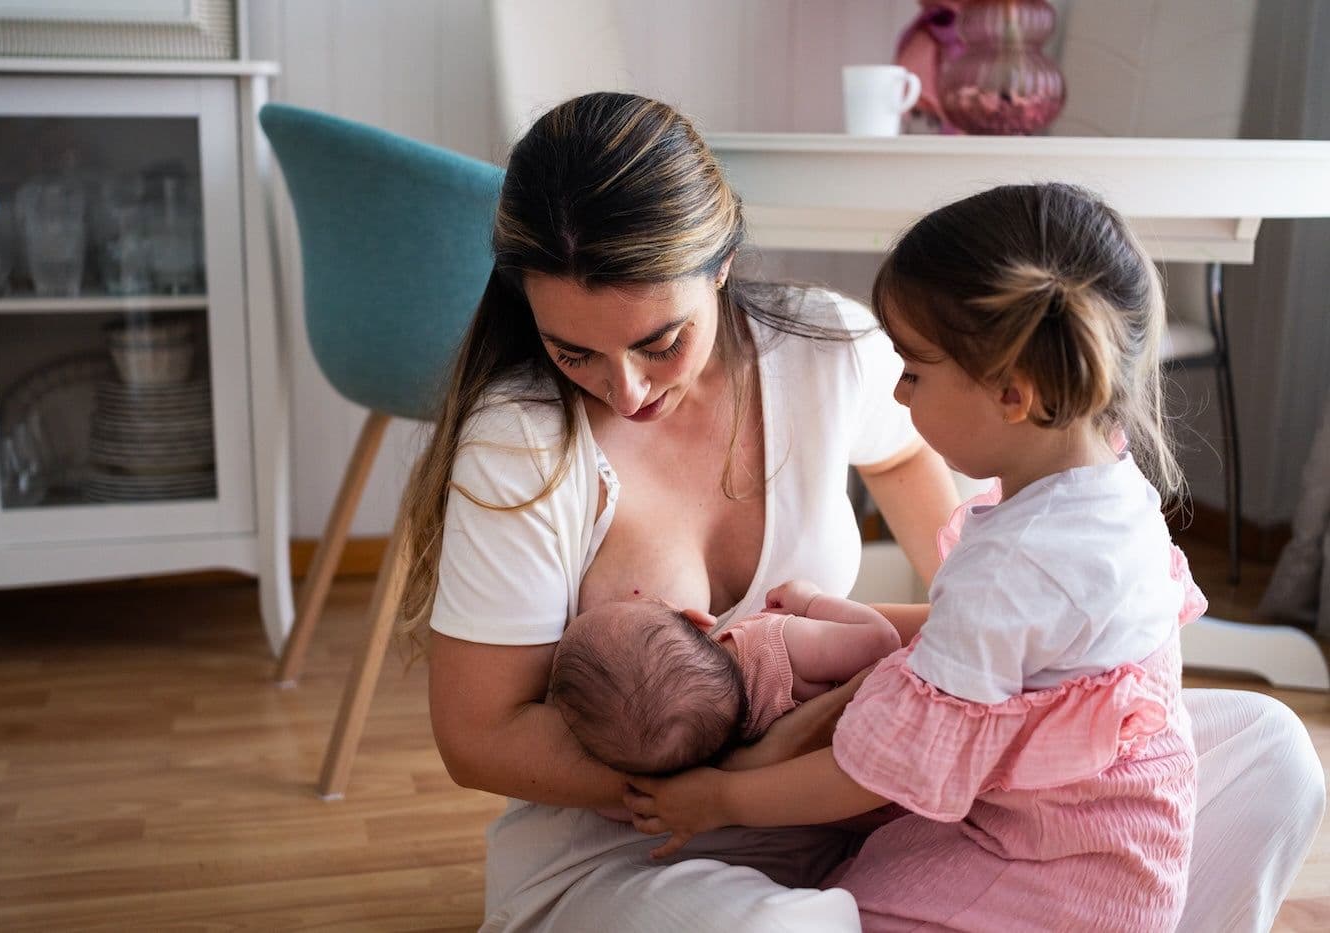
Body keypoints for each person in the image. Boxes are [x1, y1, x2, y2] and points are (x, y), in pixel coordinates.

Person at [391, 91, 1323, 932]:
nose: (625, 388)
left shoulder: (823, 348)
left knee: (1270, 752)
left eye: (659, 342)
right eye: (574, 353)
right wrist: (745, 774)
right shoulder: (521, 445)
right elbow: (480, 737)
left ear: (720, 266)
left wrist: (956, 637)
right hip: (646, 847)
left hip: (874, 803)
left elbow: (915, 455)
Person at [624, 182, 1221, 930]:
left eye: (913, 370)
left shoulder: (1015, 566)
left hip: (1057, 876)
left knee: (834, 907)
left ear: (1013, 393)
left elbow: (872, 772)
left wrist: (722, 797)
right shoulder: (1109, 488)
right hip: (1129, 852)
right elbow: (998, 654)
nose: (901, 396)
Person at [549, 587, 900, 776]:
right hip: (896, 747)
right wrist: (810, 600)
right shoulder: (777, 644)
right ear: (697, 620)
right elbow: (883, 643)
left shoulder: (702, 758)